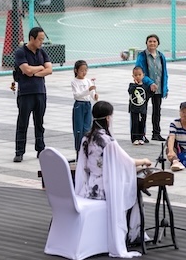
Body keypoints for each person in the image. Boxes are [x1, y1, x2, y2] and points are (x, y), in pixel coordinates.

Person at [74, 101, 151, 258]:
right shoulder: (107, 141)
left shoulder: (86, 138)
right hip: (104, 190)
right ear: (108, 118)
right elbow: (127, 162)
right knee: (134, 193)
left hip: (89, 188)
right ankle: (134, 234)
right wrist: (144, 160)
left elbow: (84, 166)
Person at [13, 27, 53, 162]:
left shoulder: (42, 52)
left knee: (39, 122)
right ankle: (19, 151)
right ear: (32, 38)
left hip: (40, 91)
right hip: (25, 92)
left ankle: (40, 149)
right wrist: (40, 68)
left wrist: (34, 73)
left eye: (42, 39)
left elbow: (49, 70)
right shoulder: (21, 52)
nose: (41, 42)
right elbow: (26, 70)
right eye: (40, 39)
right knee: (22, 122)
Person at [135, 34, 168, 142]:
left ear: (158, 43)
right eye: (150, 41)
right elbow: (139, 72)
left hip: (158, 88)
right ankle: (141, 134)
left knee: (157, 111)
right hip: (145, 87)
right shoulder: (142, 56)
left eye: (154, 41)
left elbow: (164, 73)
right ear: (146, 43)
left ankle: (156, 133)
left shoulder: (161, 56)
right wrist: (150, 83)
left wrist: (165, 88)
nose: (152, 43)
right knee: (142, 111)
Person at [71, 60, 98, 153]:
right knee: (78, 128)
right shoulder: (74, 82)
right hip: (79, 105)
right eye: (82, 70)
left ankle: (86, 147)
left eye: (85, 70)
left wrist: (94, 95)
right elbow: (77, 95)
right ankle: (78, 150)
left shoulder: (88, 81)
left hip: (87, 104)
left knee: (87, 127)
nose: (84, 72)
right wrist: (88, 90)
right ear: (76, 70)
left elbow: (92, 93)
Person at [128, 66, 151, 145]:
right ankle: (134, 138)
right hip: (134, 109)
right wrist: (136, 85)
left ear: (143, 75)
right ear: (133, 76)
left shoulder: (145, 86)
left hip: (142, 109)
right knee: (135, 123)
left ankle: (141, 137)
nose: (138, 77)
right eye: (135, 75)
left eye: (139, 75)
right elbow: (130, 91)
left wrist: (153, 90)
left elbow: (148, 95)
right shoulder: (131, 85)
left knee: (142, 123)